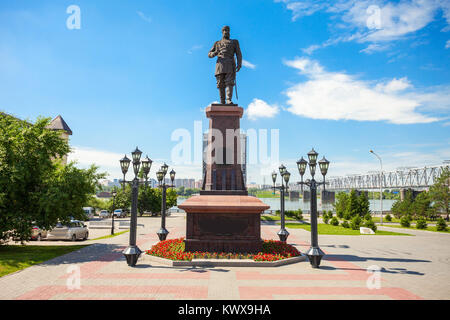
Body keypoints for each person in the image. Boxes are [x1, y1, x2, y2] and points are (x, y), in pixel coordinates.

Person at [208, 26, 242, 104]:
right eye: (224, 30)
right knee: (220, 83)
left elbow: (238, 53)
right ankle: (222, 101)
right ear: (222, 32)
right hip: (220, 64)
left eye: (228, 30)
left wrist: (239, 63)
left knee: (229, 82)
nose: (226, 32)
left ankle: (228, 99)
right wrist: (214, 53)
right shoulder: (217, 43)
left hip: (230, 63)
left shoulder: (234, 42)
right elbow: (209, 54)